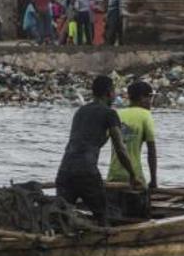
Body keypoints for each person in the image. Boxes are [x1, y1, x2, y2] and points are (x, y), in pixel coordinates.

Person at [55, 75, 142, 226]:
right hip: (86, 172)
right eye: (114, 91)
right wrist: (133, 176)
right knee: (103, 217)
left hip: (64, 171)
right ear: (108, 93)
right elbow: (120, 149)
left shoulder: (81, 111)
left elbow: (83, 141)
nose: (115, 95)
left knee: (61, 219)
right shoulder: (109, 113)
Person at [107, 81, 157, 189]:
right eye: (150, 98)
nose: (151, 102)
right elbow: (151, 151)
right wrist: (153, 181)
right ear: (142, 98)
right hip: (135, 176)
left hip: (113, 175)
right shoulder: (146, 115)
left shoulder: (117, 114)